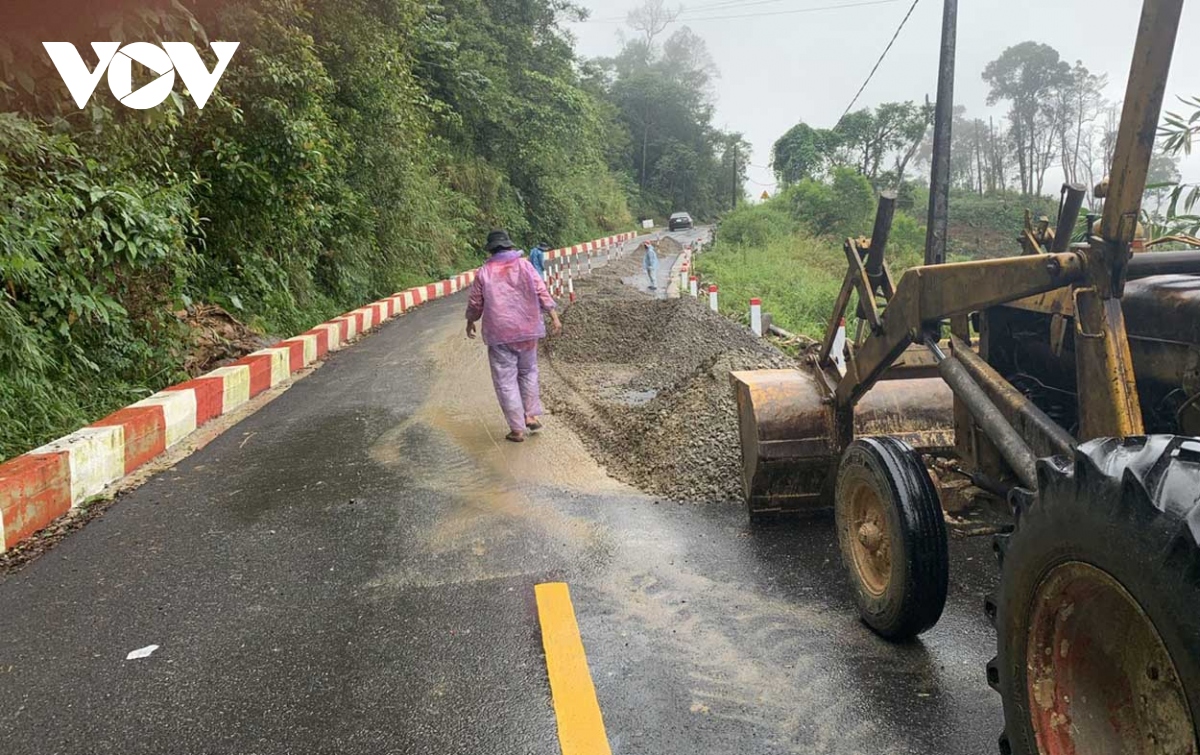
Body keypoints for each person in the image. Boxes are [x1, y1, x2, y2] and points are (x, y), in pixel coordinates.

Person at [466, 230, 562, 443]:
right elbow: (541, 291)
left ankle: (517, 429)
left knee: (505, 380)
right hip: (528, 330)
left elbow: (475, 303)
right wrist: (554, 316)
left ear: (491, 249)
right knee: (528, 372)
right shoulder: (525, 266)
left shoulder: (484, 272)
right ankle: (531, 416)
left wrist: (471, 321)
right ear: (509, 246)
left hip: (500, 335)